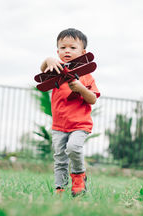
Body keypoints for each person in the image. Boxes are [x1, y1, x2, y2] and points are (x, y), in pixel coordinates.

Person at [40, 28, 100, 196]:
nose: (67, 50)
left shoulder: (86, 75)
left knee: (73, 148)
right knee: (59, 158)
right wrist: (48, 60)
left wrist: (81, 88)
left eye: (73, 48)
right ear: (57, 51)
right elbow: (42, 70)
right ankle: (60, 188)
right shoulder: (55, 70)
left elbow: (93, 99)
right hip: (59, 126)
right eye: (62, 47)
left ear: (83, 52)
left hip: (80, 124)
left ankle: (79, 176)